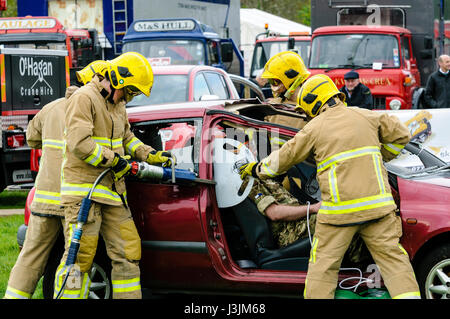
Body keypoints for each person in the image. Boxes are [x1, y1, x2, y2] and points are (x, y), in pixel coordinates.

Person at [240, 74, 420, 299]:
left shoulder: (314, 128)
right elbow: (402, 135)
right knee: (394, 262)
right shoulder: (367, 116)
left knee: (323, 268)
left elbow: (281, 160)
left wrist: (255, 169)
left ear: (311, 104)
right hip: (378, 208)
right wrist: (383, 155)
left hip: (339, 213)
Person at [54, 52, 173, 299]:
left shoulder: (118, 106)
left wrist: (148, 154)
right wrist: (114, 160)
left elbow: (127, 138)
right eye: (130, 91)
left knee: (129, 252)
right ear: (118, 79)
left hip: (113, 192)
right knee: (79, 259)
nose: (129, 98)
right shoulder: (84, 98)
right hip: (84, 194)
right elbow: (79, 143)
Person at [3, 60, 109, 299]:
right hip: (75, 203)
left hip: (43, 201)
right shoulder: (99, 113)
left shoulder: (51, 108)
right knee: (74, 260)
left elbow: (31, 138)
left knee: (29, 258)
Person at [256, 51, 311, 130]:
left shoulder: (310, 110)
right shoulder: (271, 107)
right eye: (270, 81)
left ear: (288, 80)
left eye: (275, 82)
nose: (272, 86)